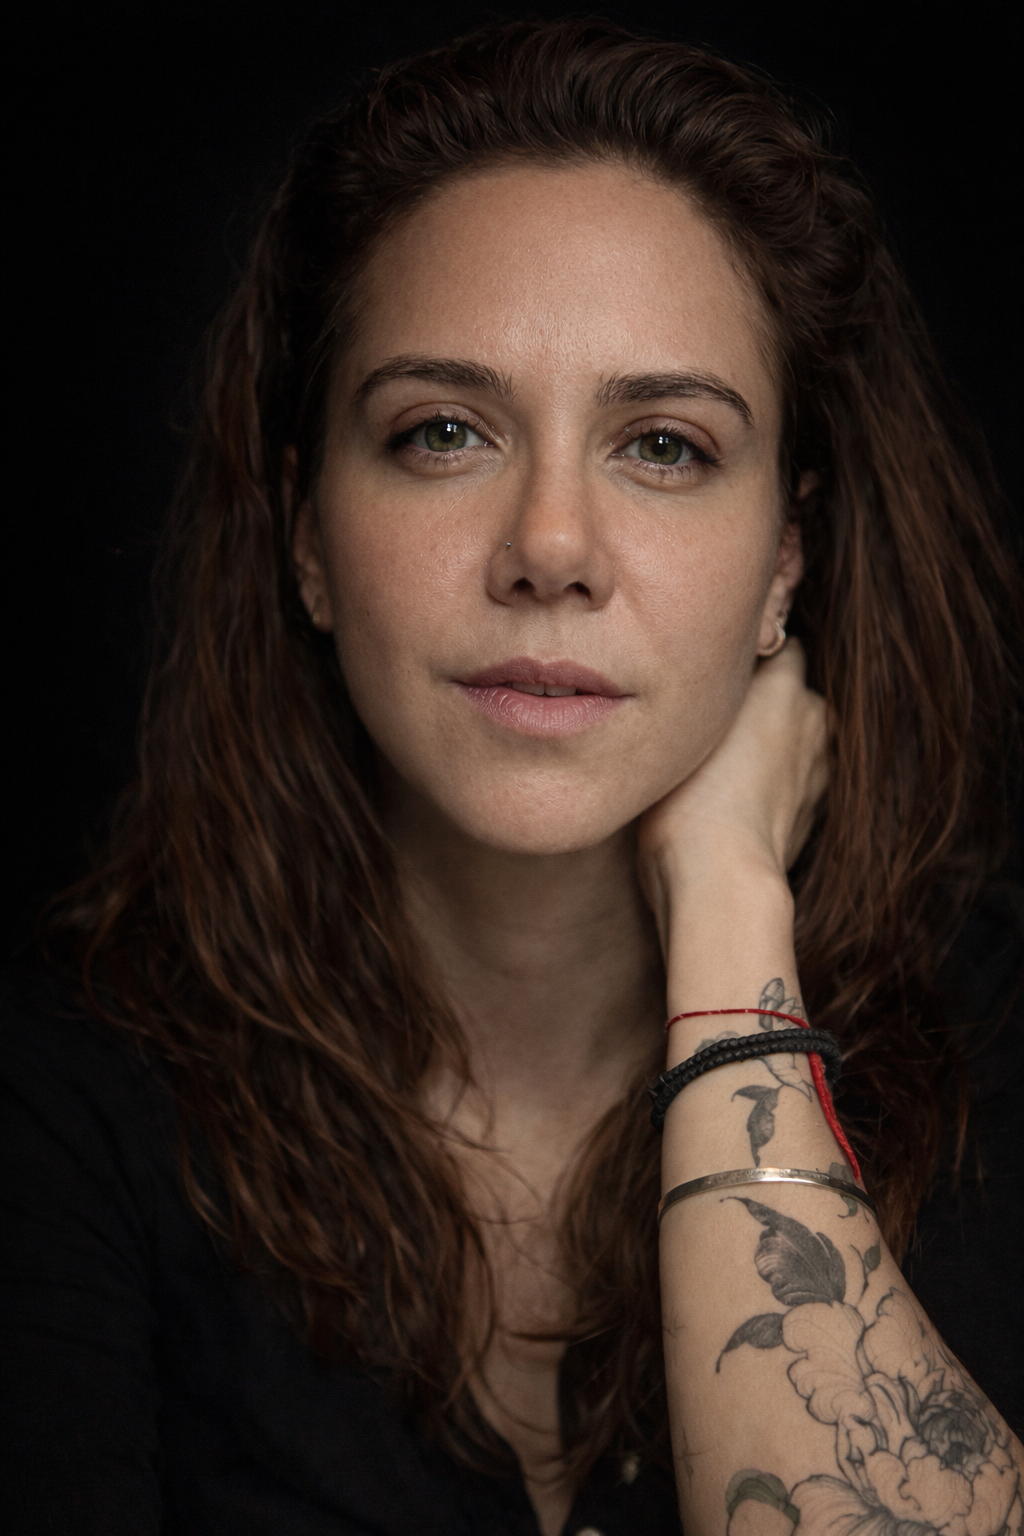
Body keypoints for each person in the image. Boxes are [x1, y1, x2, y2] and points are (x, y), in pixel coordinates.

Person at [2, 17, 1022, 1536]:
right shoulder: (61, 1098)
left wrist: (729, 903)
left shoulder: (991, 1036)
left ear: (784, 559)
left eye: (663, 445)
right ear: (305, 531)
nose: (550, 547)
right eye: (444, 433)